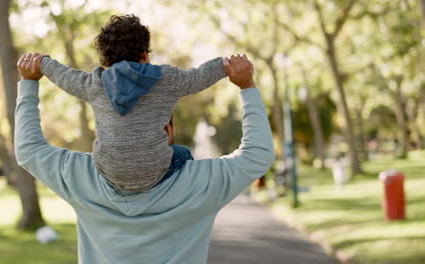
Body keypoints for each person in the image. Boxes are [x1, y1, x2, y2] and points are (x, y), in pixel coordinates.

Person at [15, 53, 275, 263]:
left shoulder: (81, 178)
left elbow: (29, 150)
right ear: (166, 131)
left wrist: (29, 84)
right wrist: (246, 87)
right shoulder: (201, 183)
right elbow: (257, 155)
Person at [36, 14, 227, 192]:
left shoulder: (95, 84)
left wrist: (42, 62)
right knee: (183, 154)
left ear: (107, 60)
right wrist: (225, 64)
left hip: (111, 174)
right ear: (144, 54)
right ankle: (175, 200)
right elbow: (199, 77)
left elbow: (64, 75)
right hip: (154, 173)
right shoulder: (166, 79)